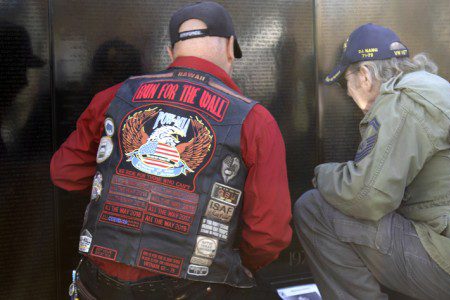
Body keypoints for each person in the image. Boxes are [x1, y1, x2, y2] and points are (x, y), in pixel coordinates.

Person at [50, 2, 292, 299]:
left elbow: (65, 173)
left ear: (171, 52)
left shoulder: (115, 96)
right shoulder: (255, 120)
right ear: (230, 48)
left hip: (99, 283)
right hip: (191, 288)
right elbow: (269, 235)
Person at [293, 23, 450, 300]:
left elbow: (366, 196)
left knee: (314, 208)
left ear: (364, 76)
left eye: (345, 83)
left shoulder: (402, 103)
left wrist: (322, 174)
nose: (348, 94)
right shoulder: (439, 91)